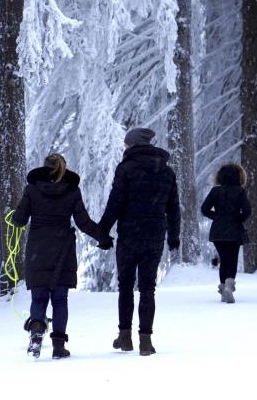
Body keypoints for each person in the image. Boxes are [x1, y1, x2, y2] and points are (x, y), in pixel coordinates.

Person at [12, 153, 110, 359]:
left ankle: (36, 335)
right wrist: (103, 238)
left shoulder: (32, 189)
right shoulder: (72, 191)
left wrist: (17, 212)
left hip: (38, 249)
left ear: (44, 166)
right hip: (63, 250)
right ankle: (58, 346)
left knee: (38, 297)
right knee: (60, 299)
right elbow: (83, 222)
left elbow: (19, 220)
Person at [99, 127, 181, 356]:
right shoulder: (167, 172)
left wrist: (102, 231)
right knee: (147, 289)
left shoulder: (126, 169)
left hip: (129, 234)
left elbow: (115, 203)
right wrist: (174, 235)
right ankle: (146, 341)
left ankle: (125, 337)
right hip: (154, 235)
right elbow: (173, 208)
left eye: (126, 144)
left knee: (125, 286)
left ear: (133, 145)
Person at [201, 163, 251, 303]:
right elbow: (247, 211)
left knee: (223, 260)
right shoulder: (240, 191)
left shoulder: (215, 191)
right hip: (234, 230)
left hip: (217, 230)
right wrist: (238, 218)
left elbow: (204, 209)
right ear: (239, 176)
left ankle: (223, 288)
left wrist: (216, 217)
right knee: (232, 259)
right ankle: (229, 286)